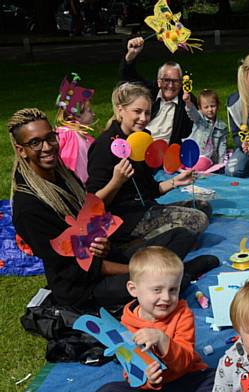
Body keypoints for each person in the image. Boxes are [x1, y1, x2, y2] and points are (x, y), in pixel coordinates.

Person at [8, 108, 213, 311]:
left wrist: (105, 244)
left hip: (107, 254)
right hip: (85, 285)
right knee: (155, 287)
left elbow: (93, 216)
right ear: (21, 150)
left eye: (49, 138)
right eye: (35, 142)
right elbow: (74, 269)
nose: (47, 147)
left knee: (181, 235)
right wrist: (140, 270)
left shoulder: (63, 176)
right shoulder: (28, 207)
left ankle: (167, 273)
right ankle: (177, 274)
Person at [94, 247, 216, 392]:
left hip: (184, 380)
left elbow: (185, 361)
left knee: (221, 379)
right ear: (134, 290)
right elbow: (129, 366)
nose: (166, 298)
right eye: (157, 290)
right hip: (150, 390)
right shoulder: (126, 322)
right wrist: (147, 379)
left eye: (173, 289)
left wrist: (163, 340)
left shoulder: (182, 314)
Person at [87, 82, 211, 242]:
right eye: (137, 112)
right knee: (198, 219)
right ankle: (135, 244)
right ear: (120, 110)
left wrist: (175, 182)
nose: (143, 118)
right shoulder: (104, 145)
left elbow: (149, 190)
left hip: (145, 207)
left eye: (147, 113)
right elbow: (93, 204)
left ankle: (172, 237)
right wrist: (116, 181)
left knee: (202, 206)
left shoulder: (143, 138)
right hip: (122, 219)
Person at [119, 36, 193, 144]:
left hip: (168, 153)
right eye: (166, 80)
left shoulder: (186, 101)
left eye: (175, 81)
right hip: (141, 145)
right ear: (159, 81)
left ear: (181, 83)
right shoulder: (149, 92)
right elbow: (127, 77)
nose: (171, 85)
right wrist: (131, 56)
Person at [55, 73, 96, 184]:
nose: (94, 114)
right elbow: (70, 162)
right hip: (77, 186)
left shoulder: (78, 135)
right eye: (90, 111)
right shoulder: (71, 135)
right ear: (76, 114)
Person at [183, 88, 227, 165]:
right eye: (206, 107)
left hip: (211, 160)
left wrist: (221, 163)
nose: (210, 109)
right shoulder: (199, 118)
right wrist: (188, 102)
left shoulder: (221, 126)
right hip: (195, 157)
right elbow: (192, 112)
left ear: (218, 105)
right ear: (200, 108)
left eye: (213, 106)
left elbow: (222, 145)